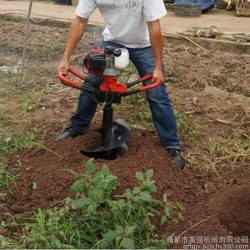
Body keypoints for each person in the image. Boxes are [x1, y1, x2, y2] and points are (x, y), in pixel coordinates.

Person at [56, 0, 186, 170]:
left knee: (156, 92)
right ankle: (78, 127)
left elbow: (154, 27)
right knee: (92, 83)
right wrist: (65, 58)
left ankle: (172, 144)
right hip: (112, 42)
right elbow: (80, 20)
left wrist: (157, 67)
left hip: (144, 45)